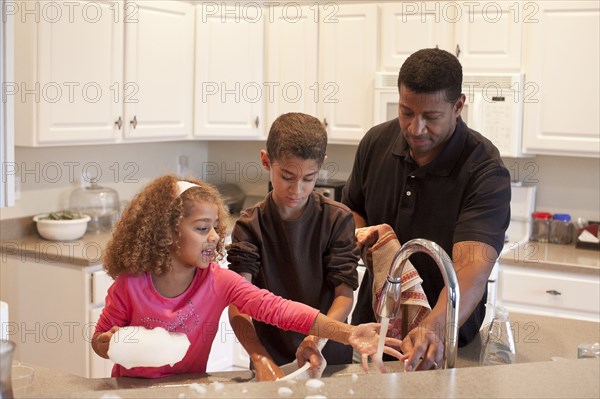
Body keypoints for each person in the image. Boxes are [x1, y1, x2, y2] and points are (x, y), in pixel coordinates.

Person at [91, 175, 402, 378]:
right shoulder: (129, 286)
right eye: (202, 228)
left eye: (215, 226)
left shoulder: (216, 281)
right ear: (165, 234)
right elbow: (99, 341)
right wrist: (108, 343)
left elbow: (279, 309)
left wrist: (347, 333)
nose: (214, 236)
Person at [342, 48, 511, 371]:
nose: (416, 128)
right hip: (373, 331)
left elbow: (472, 268)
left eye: (431, 117)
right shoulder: (376, 142)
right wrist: (358, 236)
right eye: (406, 112)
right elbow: (353, 210)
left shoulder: (484, 169)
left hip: (446, 341)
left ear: (458, 106)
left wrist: (432, 327)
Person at [227, 113, 360, 381]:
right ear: (266, 161)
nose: (297, 189)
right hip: (272, 361)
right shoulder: (250, 226)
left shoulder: (337, 219)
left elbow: (344, 295)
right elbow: (238, 304)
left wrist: (316, 337)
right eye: (287, 176)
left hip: (330, 358)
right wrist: (260, 358)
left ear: (320, 167)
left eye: (309, 178)